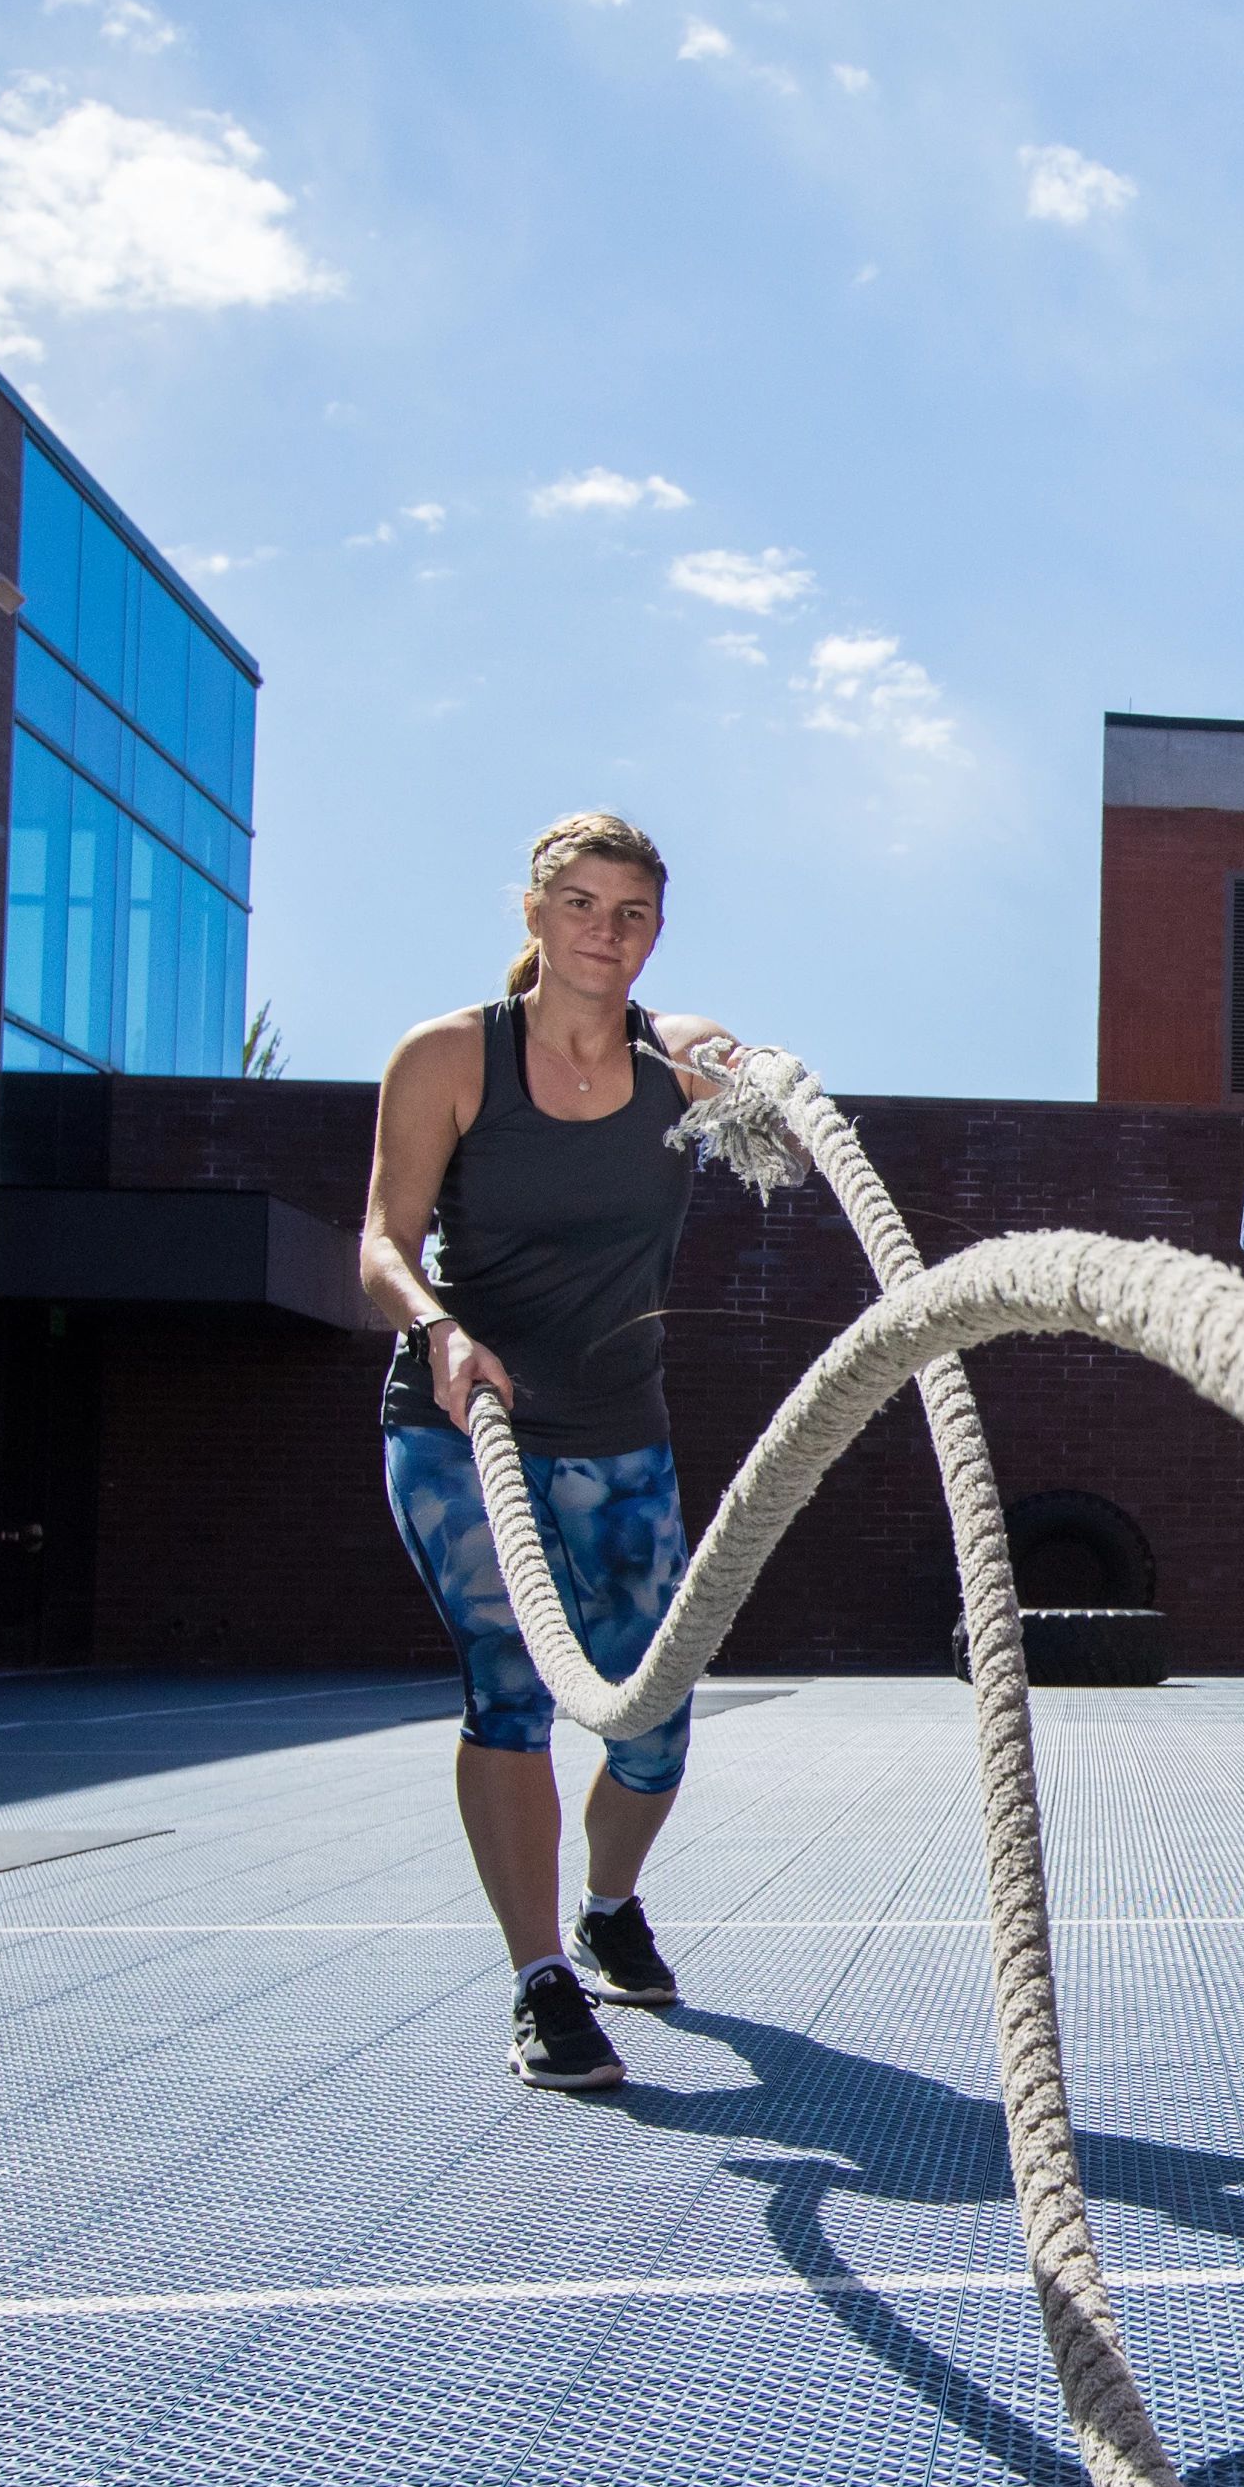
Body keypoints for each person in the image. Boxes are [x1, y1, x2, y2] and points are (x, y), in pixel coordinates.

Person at [361, 812, 740, 2094]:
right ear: (532, 913)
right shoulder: (450, 1056)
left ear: (655, 933)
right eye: (580, 904)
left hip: (619, 1437)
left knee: (654, 1720)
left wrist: (748, 1070)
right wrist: (438, 1330)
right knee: (508, 1693)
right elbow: (379, 1243)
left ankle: (608, 1901)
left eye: (631, 912)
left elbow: (716, 1060)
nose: (605, 932)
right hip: (463, 1430)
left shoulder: (673, 1063)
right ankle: (540, 1980)